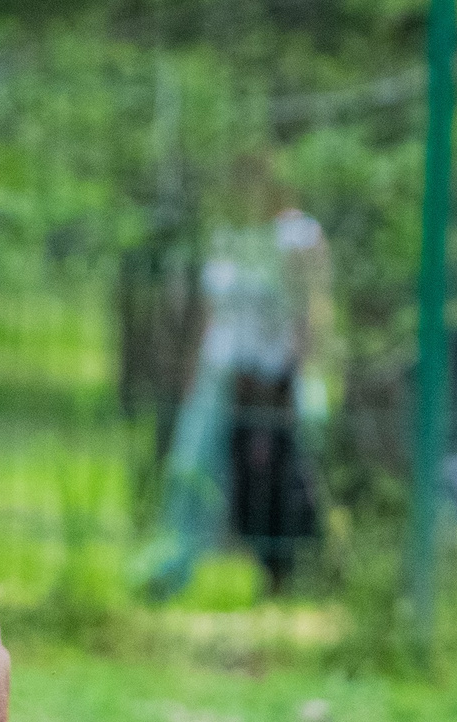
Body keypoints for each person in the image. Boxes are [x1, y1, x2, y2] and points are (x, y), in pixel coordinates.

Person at [138, 209, 331, 598]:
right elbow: (213, 315)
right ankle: (172, 571)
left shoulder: (300, 233)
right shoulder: (225, 229)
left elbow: (312, 309)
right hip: (223, 379)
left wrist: (305, 373)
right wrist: (195, 376)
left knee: (281, 482)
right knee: (195, 474)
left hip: (274, 382)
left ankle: (291, 574)